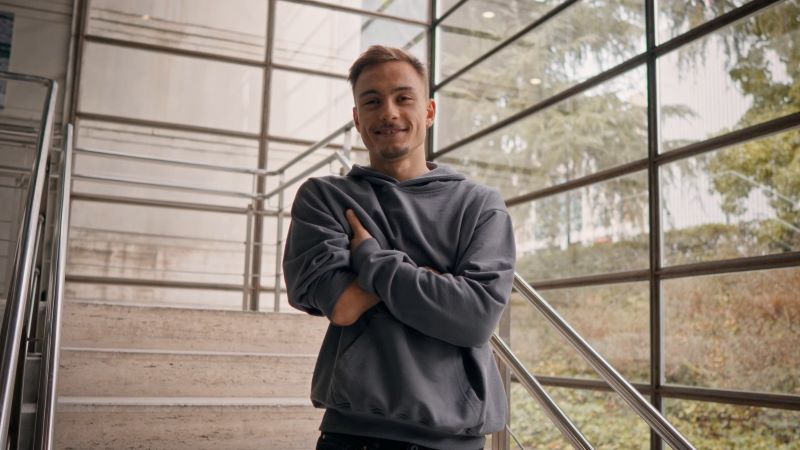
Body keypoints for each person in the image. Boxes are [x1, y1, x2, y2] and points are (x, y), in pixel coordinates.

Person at [282, 45, 516, 450]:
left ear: (428, 111)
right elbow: (342, 305)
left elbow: (474, 319)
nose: (388, 112)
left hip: (454, 440)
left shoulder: (479, 205)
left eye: (403, 98)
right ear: (358, 119)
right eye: (372, 101)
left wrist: (371, 259)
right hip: (355, 435)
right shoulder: (324, 197)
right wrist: (436, 280)